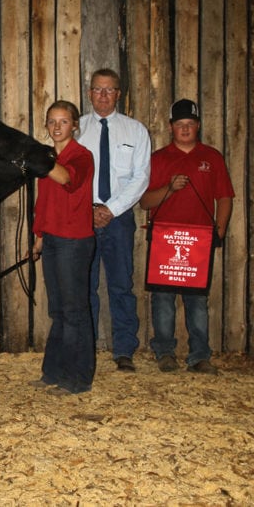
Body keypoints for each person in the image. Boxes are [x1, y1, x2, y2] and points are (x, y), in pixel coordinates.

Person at [138, 99, 234, 374]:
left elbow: (224, 197)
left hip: (199, 240)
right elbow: (145, 202)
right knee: (163, 299)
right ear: (170, 127)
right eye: (180, 124)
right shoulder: (157, 159)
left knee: (197, 301)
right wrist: (169, 189)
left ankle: (199, 356)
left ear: (198, 126)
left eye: (190, 124)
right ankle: (165, 353)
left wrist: (221, 229)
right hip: (165, 240)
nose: (185, 129)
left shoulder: (212, 157)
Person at [78, 69, 151, 372]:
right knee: (85, 286)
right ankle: (87, 348)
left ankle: (124, 350)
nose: (103, 96)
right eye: (98, 90)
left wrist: (110, 209)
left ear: (119, 94)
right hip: (83, 218)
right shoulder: (77, 129)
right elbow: (69, 176)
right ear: (90, 92)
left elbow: (141, 177)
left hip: (119, 219)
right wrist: (89, 211)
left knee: (121, 285)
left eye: (110, 90)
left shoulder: (135, 131)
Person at [29, 100, 95, 395]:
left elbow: (67, 179)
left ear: (75, 125)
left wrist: (40, 160)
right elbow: (44, 201)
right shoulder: (47, 157)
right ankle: (52, 372)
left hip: (74, 240)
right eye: (52, 121)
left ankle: (77, 379)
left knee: (74, 310)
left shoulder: (81, 156)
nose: (57, 127)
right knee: (58, 310)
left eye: (63, 121)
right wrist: (39, 235)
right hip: (53, 238)